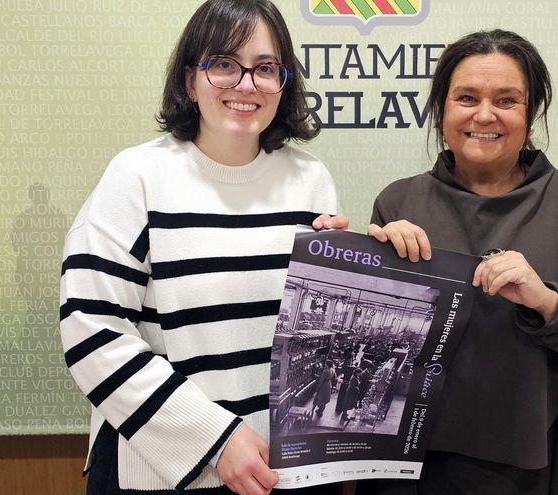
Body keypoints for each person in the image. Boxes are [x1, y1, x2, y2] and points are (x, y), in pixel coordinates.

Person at [59, 1, 346, 494]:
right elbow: (92, 328)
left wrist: (351, 271)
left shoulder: (310, 179)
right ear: (190, 79)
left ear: (285, 82)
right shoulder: (138, 176)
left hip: (285, 469)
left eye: (265, 68)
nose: (246, 83)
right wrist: (215, 438)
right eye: (223, 64)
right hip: (163, 471)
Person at [359, 29, 558, 494]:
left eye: (507, 100)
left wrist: (545, 301)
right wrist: (352, 269)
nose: (485, 115)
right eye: (466, 98)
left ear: (532, 112)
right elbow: (370, 348)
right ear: (441, 109)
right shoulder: (399, 201)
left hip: (539, 463)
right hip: (419, 462)